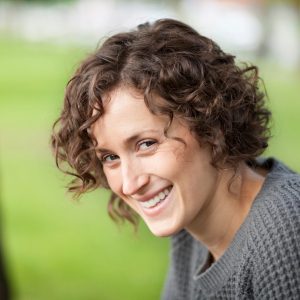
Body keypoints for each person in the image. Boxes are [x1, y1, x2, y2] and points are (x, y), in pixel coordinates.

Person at [51, 19, 300, 299]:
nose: (130, 184)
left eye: (146, 144)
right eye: (110, 157)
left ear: (211, 124)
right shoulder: (190, 226)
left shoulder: (285, 228)